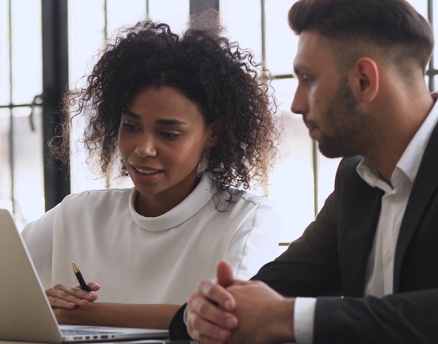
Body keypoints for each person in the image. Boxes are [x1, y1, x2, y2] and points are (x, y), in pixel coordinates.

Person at [170, 0, 438, 343]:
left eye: (308, 79)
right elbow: (271, 289)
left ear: (364, 81)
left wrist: (286, 317)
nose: (296, 104)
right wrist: (208, 311)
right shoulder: (357, 179)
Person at [21, 17, 282, 330]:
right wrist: (42, 303)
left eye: (169, 134)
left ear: (212, 134)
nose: (144, 149)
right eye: (131, 127)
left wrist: (81, 313)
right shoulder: (78, 215)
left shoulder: (246, 219)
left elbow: (228, 319)